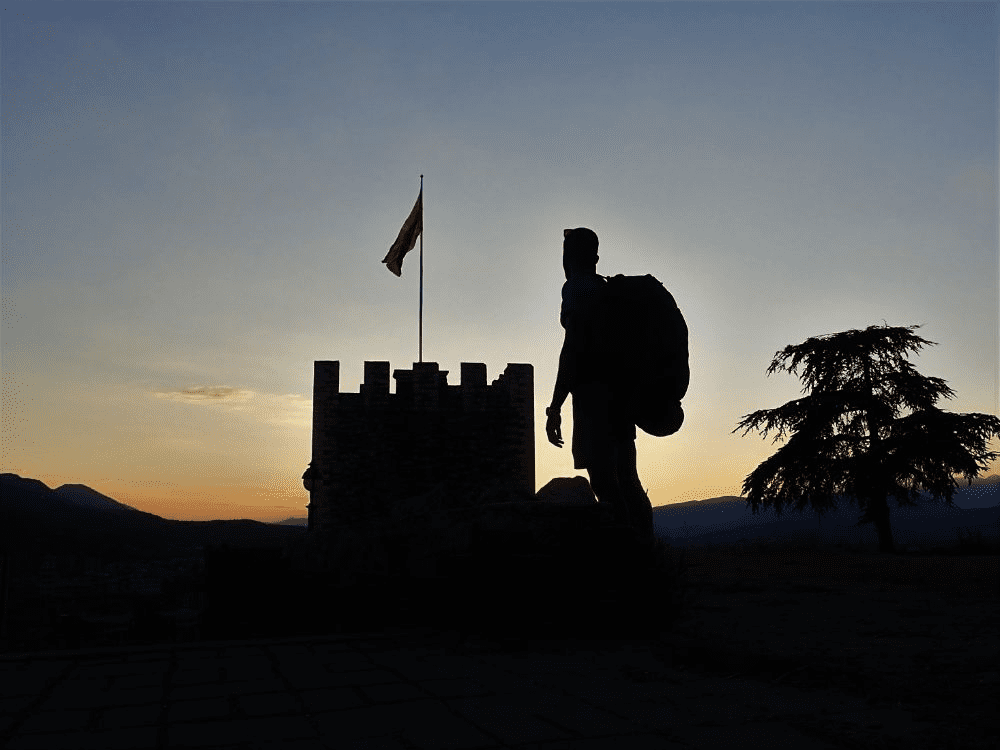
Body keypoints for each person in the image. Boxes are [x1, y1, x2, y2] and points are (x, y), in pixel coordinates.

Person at [545, 228, 654, 545]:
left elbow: (572, 350)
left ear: (569, 257)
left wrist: (555, 407)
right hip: (622, 400)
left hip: (593, 403)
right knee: (628, 480)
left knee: (605, 483)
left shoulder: (576, 288)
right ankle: (648, 554)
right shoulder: (608, 291)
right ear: (595, 257)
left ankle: (626, 554)